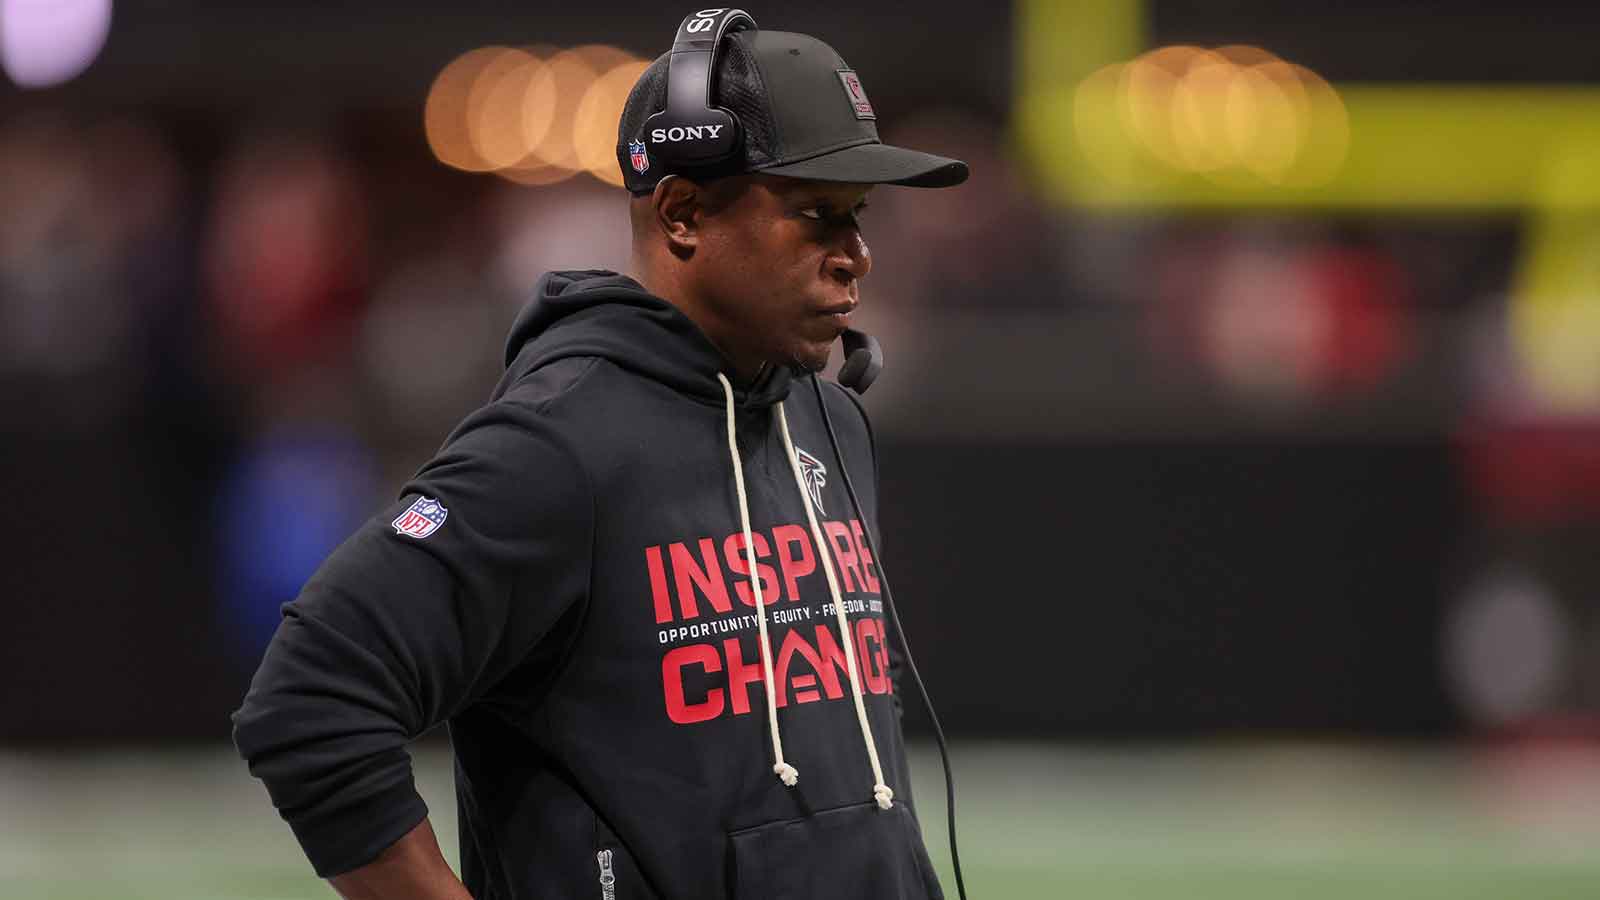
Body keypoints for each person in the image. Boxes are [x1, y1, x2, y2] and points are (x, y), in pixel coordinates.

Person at [231, 11, 968, 900]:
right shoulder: (559, 445)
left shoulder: (829, 418)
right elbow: (311, 697)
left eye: (857, 216)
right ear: (683, 212)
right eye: (817, 216)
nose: (857, 256)